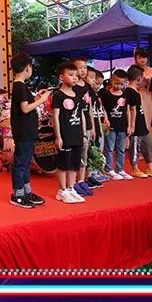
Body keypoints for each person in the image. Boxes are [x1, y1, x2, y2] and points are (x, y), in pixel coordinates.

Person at [10, 51, 51, 208]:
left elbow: (26, 104)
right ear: (27, 68)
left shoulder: (21, 86)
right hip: (23, 131)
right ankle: (18, 194)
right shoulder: (19, 86)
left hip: (27, 130)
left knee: (26, 162)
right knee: (21, 163)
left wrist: (37, 98)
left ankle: (27, 191)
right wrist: (42, 100)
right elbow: (25, 108)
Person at [52, 60, 88, 204]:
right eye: (71, 75)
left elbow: (82, 115)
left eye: (76, 76)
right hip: (65, 135)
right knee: (63, 164)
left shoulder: (77, 94)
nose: (74, 78)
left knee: (74, 164)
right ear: (61, 77)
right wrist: (58, 137)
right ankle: (62, 191)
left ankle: (71, 188)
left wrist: (84, 134)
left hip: (77, 135)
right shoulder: (58, 95)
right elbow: (55, 116)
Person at [124, 65, 152, 179]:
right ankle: (134, 168)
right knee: (135, 147)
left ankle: (150, 168)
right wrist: (131, 125)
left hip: (142, 124)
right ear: (138, 79)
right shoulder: (128, 92)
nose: (143, 80)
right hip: (135, 126)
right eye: (142, 78)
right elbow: (128, 110)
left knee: (148, 144)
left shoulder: (136, 91)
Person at [72, 56, 98, 196]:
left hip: (87, 124)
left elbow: (90, 108)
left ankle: (82, 180)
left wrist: (92, 127)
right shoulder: (72, 86)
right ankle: (73, 182)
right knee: (77, 153)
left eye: (85, 67)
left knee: (85, 153)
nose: (82, 70)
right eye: (79, 67)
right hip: (75, 125)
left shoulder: (87, 86)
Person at [99, 69, 132, 180]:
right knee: (109, 148)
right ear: (111, 80)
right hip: (111, 126)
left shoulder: (125, 94)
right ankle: (109, 168)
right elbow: (103, 108)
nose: (118, 86)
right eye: (116, 83)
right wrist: (106, 119)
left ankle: (120, 169)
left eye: (121, 84)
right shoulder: (106, 94)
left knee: (121, 149)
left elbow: (127, 110)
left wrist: (129, 125)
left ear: (125, 83)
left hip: (122, 126)